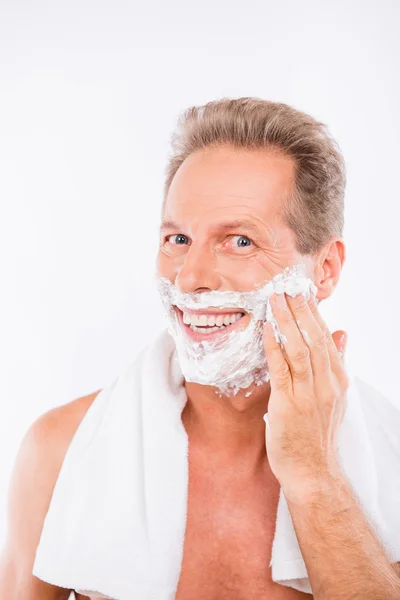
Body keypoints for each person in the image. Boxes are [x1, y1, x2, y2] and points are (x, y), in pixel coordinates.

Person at [1, 97, 399, 600]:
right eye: (179, 238)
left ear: (325, 269)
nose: (190, 279)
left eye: (240, 242)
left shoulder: (393, 461)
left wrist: (315, 477)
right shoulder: (60, 453)